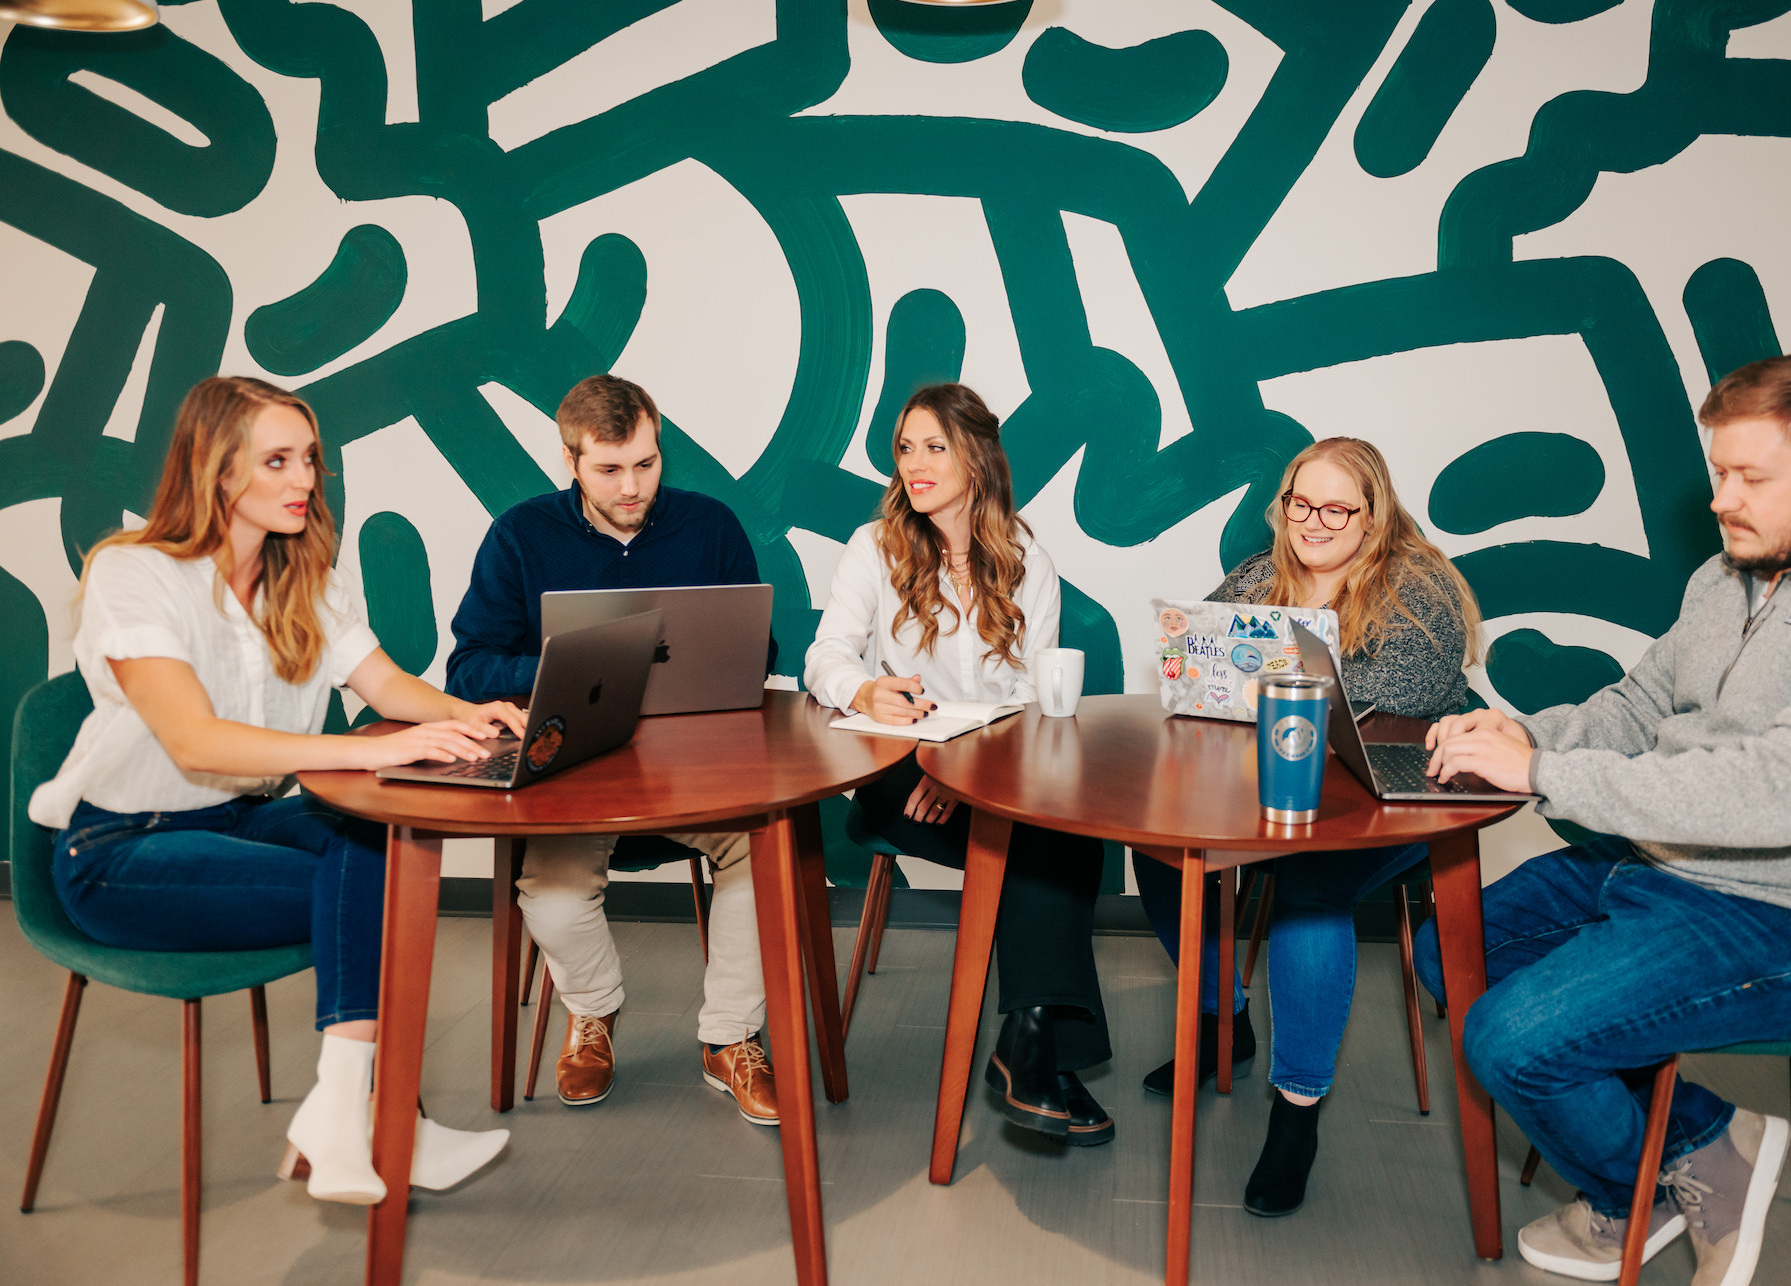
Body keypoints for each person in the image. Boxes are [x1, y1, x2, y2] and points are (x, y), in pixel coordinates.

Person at [1419, 352, 1791, 1286]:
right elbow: (1642, 704)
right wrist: (1521, 732)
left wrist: (1544, 773)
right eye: (1718, 471)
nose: (1722, 499)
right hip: (1680, 870)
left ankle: (1629, 1194)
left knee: (1510, 1038)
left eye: (1750, 477)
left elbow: (1781, 792)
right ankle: (1705, 1140)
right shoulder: (1735, 571)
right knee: (1445, 950)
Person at [29, 376, 517, 1205]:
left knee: (377, 841)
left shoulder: (307, 577)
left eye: (310, 461)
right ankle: (373, 1120)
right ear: (218, 471)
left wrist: (477, 715)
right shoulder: (134, 571)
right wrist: (372, 751)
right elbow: (194, 738)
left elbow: (389, 686)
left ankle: (347, 1109)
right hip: (118, 850)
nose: (305, 481)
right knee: (368, 881)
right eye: (279, 461)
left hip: (238, 820)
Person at [1132, 436, 1481, 1216]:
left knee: (1308, 889)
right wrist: (1217, 663)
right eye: (1300, 502)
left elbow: (1409, 687)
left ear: (1372, 514)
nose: (1313, 522)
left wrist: (1262, 669)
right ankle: (1225, 1022)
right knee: (1160, 847)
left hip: (1390, 797)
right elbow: (1202, 650)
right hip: (1274, 785)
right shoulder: (1262, 572)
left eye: (1335, 507)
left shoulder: (1415, 586)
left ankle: (1297, 1113)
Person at [446, 375, 781, 1122]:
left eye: (646, 463)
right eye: (609, 469)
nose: (632, 487)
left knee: (766, 853)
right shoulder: (519, 535)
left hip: (695, 770)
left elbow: (756, 646)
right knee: (556, 900)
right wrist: (567, 670)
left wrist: (737, 652)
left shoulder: (711, 525)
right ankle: (594, 1013)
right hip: (576, 770)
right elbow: (467, 666)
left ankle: (730, 1036)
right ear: (570, 460)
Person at [803, 383, 1118, 1144]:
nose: (914, 464)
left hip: (986, 768)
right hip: (897, 772)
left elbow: (1029, 694)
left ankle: (1031, 1041)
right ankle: (1038, 1054)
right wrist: (867, 689)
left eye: (933, 447)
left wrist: (965, 767)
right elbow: (824, 658)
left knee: (1060, 831)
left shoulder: (1025, 559)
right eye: (905, 447)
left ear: (976, 458)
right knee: (1044, 844)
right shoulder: (872, 546)